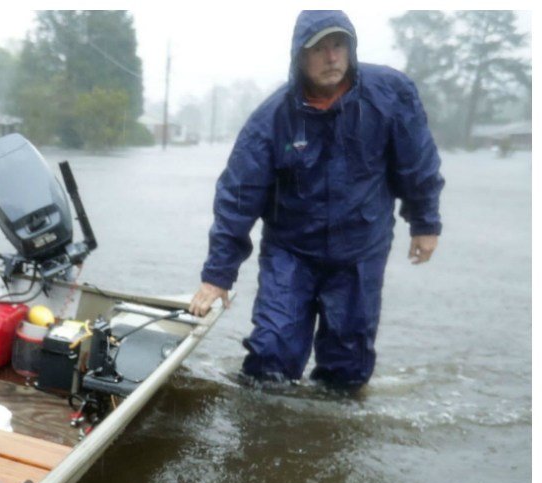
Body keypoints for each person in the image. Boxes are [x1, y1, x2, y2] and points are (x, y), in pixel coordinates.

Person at [188, 10, 443, 387]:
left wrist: (425, 222)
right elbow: (238, 197)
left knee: (347, 369)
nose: (332, 58)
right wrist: (217, 276)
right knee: (270, 359)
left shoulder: (390, 94)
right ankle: (268, 434)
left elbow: (416, 160)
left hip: (361, 248)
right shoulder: (272, 119)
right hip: (291, 251)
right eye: (320, 49)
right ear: (299, 57)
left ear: (350, 49)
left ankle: (332, 430)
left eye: (339, 46)